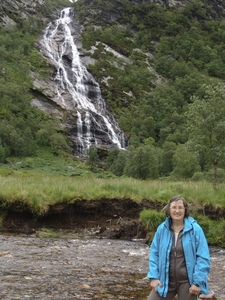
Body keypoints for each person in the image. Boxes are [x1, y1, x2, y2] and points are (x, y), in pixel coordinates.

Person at [147, 195, 211, 300]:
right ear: (169, 209)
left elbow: (203, 257)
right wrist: (154, 277)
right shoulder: (162, 229)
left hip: (188, 282)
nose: (177, 211)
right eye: (174, 207)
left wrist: (198, 282)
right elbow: (154, 254)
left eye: (180, 207)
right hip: (165, 280)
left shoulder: (195, 229)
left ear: (185, 210)